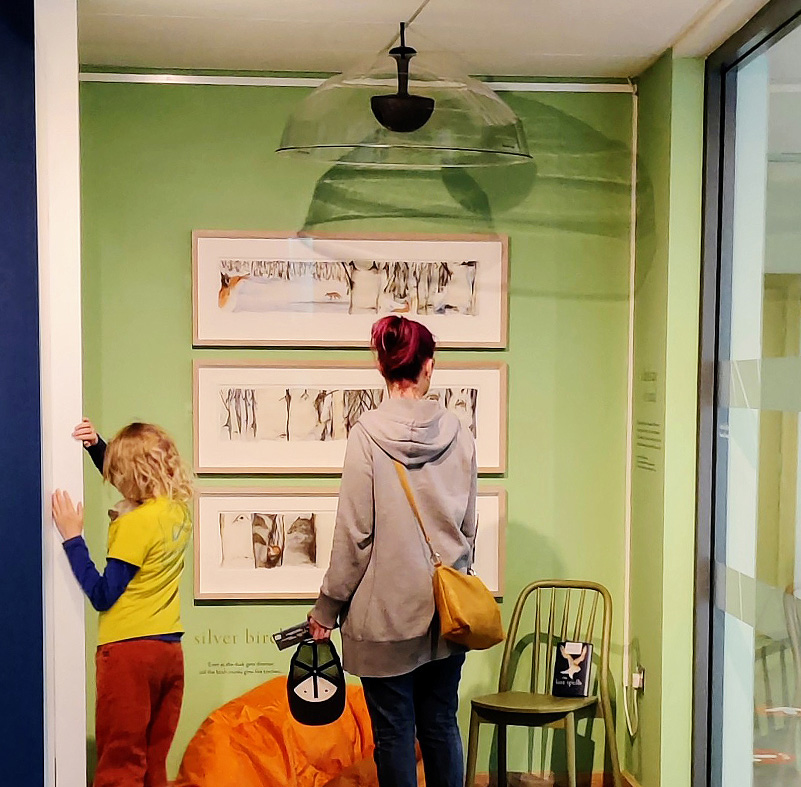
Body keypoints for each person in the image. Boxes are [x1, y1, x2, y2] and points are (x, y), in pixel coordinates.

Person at [308, 316, 478, 787]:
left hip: (383, 620)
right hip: (448, 615)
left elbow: (355, 535)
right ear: (429, 367)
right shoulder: (459, 433)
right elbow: (468, 527)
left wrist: (326, 608)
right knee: (442, 724)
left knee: (394, 733)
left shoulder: (367, 436)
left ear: (381, 367)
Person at [52, 420, 193, 787]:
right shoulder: (177, 513)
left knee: (121, 764)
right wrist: (97, 446)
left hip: (128, 654)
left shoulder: (135, 526)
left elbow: (102, 594)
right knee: (153, 763)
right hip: (169, 654)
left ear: (131, 477)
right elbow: (135, 484)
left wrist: (72, 539)